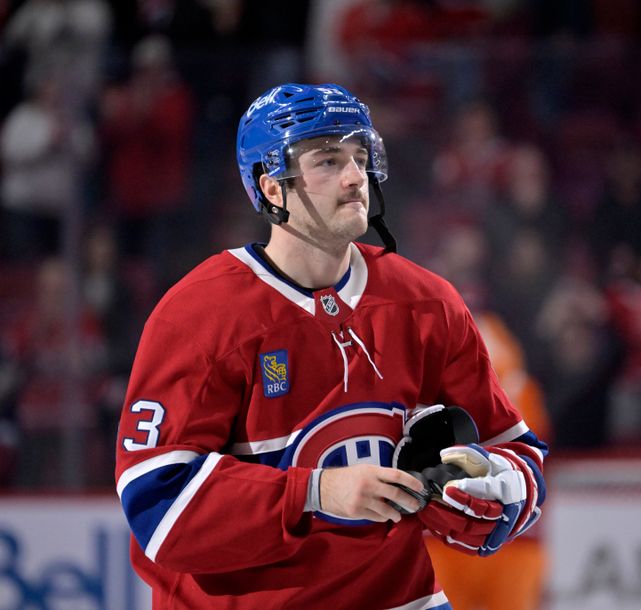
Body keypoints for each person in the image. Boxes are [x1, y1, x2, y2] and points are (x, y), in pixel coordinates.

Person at [115, 83, 548, 609]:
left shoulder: (426, 302)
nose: (353, 177)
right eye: (326, 160)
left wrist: (496, 488)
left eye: (360, 157)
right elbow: (157, 504)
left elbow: (518, 452)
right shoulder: (200, 316)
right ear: (272, 188)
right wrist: (317, 492)